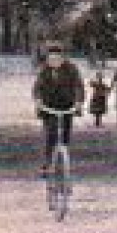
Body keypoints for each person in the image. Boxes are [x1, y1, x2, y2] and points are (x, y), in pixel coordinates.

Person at [32, 42, 85, 173]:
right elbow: (37, 87)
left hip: (66, 106)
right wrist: (38, 101)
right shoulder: (44, 70)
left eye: (57, 58)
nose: (54, 61)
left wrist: (78, 102)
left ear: (62, 58)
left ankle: (63, 159)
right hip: (48, 107)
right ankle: (47, 162)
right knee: (51, 133)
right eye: (51, 59)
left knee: (65, 133)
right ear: (47, 59)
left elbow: (79, 86)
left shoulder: (71, 69)